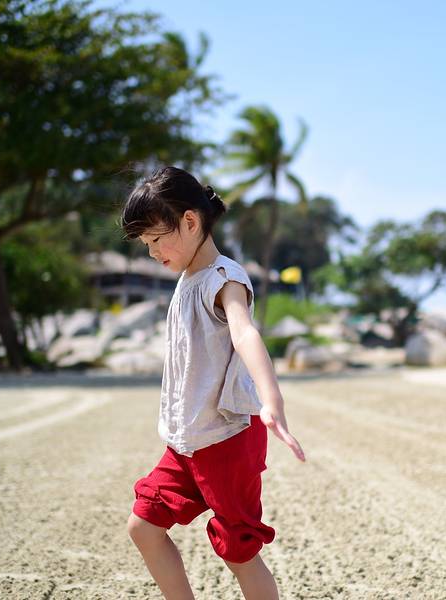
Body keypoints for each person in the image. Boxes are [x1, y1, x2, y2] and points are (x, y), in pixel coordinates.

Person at [120, 166, 306, 600]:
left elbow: (244, 333)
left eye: (156, 239)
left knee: (238, 552)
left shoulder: (224, 277)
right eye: (146, 244)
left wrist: (272, 400)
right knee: (143, 526)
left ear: (190, 221)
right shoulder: (187, 279)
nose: (152, 252)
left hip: (227, 440)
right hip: (186, 442)